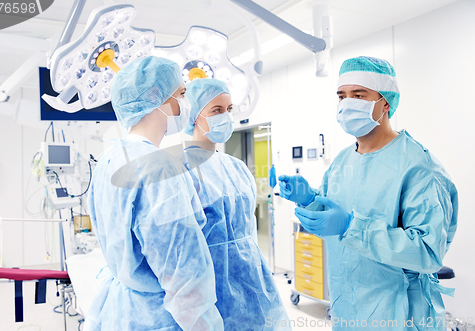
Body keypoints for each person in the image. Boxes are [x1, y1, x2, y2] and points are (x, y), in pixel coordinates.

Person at [279, 56, 458, 331]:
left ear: (385, 102)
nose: (347, 103)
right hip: (348, 309)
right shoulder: (341, 163)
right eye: (341, 95)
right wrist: (310, 200)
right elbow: (332, 221)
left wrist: (353, 227)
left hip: (400, 315)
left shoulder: (418, 167)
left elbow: (427, 251)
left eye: (358, 95)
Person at [85, 56, 224, 331]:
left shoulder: (108, 161)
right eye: (182, 94)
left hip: (123, 313)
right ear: (155, 98)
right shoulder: (158, 168)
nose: (186, 105)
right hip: (160, 318)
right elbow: (181, 268)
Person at [181, 78, 291, 330]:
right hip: (207, 282)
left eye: (229, 110)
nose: (226, 117)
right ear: (195, 117)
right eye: (216, 111)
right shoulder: (181, 170)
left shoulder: (237, 168)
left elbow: (248, 227)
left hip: (252, 276)